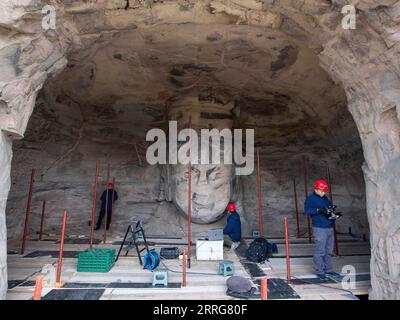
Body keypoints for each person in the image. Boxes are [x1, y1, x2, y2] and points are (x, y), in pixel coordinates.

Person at [304, 180, 341, 281]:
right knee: (320, 250)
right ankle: (320, 271)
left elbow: (328, 210)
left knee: (329, 251)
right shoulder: (311, 199)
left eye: (324, 191)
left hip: (329, 226)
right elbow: (307, 210)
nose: (323, 192)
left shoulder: (325, 199)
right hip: (319, 227)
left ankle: (329, 270)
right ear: (316, 189)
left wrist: (333, 213)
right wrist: (318, 210)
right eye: (321, 190)